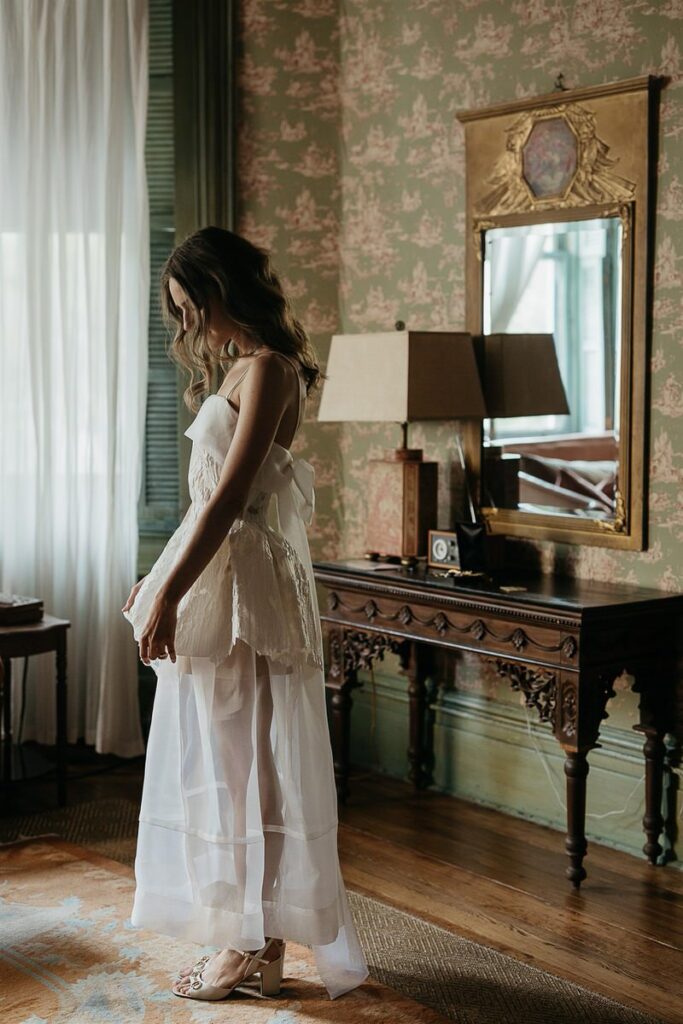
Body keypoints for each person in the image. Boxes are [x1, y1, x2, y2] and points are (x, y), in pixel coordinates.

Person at [122, 226, 368, 1002]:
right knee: (222, 767)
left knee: (246, 774)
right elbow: (202, 506)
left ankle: (248, 942)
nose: (184, 323)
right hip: (216, 585)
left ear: (216, 290)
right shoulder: (238, 371)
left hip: (243, 596)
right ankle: (251, 941)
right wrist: (155, 577)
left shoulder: (268, 370)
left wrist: (168, 591)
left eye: (185, 305)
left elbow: (230, 502)